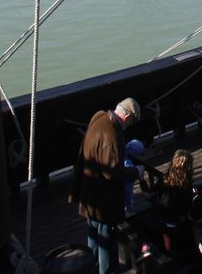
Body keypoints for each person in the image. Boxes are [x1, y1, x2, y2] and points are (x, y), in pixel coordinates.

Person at [71, 97, 139, 274]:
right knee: (106, 241)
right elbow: (113, 173)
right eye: (132, 121)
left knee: (93, 236)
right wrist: (136, 172)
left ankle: (90, 267)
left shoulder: (99, 118)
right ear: (127, 117)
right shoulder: (112, 136)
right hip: (103, 201)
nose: (130, 125)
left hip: (89, 194)